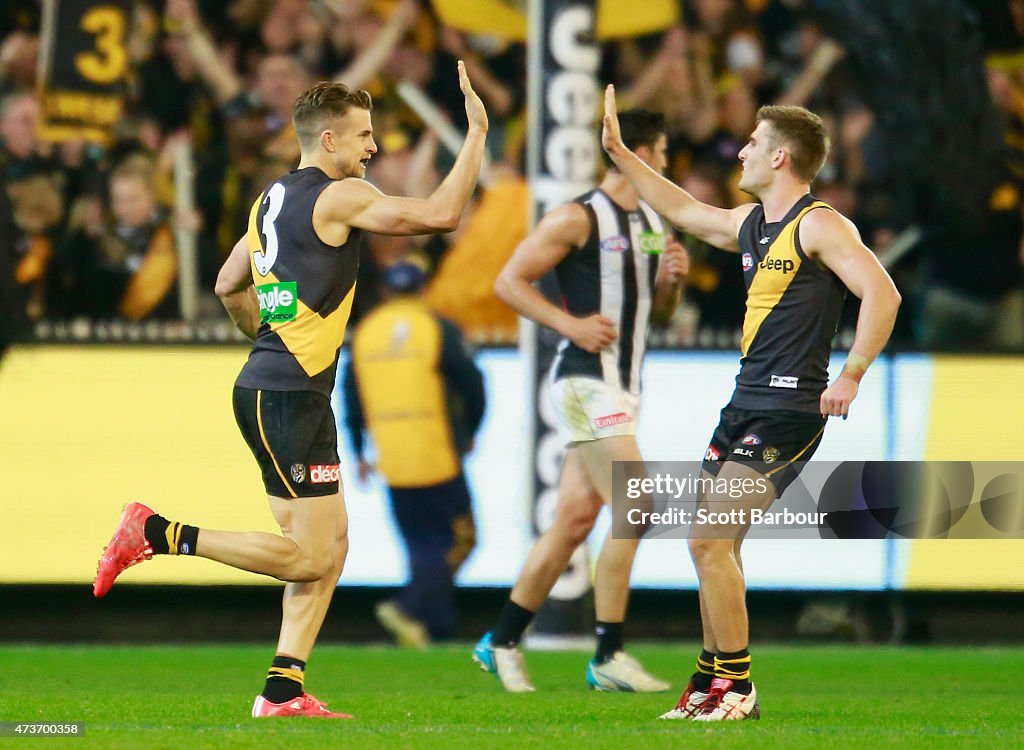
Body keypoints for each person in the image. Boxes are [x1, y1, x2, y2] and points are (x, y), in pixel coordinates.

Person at [92, 62, 488, 719]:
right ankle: (159, 532)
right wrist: (474, 135)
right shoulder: (340, 196)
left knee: (330, 547)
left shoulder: (269, 201)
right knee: (308, 557)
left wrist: (268, 336)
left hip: (281, 387)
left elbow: (228, 284)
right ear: (328, 140)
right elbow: (443, 214)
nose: (373, 147)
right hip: (288, 394)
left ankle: (283, 689)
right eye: (363, 134)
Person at [602, 86, 901, 721]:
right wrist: (623, 155)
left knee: (708, 541)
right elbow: (683, 210)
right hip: (743, 404)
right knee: (714, 547)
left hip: (788, 412)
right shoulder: (750, 224)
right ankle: (710, 684)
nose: (741, 152)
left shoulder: (819, 224)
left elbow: (883, 294)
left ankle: (735, 687)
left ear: (781, 158)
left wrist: (850, 374)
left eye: (754, 143)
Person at [473, 110, 689, 693]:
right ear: (640, 154)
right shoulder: (578, 216)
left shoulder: (654, 221)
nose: (665, 164)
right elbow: (508, 282)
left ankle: (500, 640)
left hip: (624, 385)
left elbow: (658, 313)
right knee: (638, 505)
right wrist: (569, 325)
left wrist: (672, 283)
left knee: (574, 520)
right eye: (661, 152)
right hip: (583, 380)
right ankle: (608, 654)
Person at [342, 259, 485, 648]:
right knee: (462, 539)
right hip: (437, 451)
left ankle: (435, 627)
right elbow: (472, 382)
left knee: (421, 546)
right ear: (424, 289)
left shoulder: (366, 333)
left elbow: (352, 399)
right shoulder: (436, 327)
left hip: (392, 456)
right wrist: (470, 431)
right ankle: (409, 607)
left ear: (385, 292)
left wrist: (358, 451)